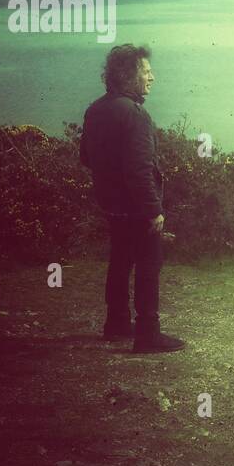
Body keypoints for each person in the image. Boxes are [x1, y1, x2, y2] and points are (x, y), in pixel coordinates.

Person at [78, 44, 185, 353]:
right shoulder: (135, 114)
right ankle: (148, 334)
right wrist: (154, 210)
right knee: (149, 265)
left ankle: (116, 323)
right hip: (137, 208)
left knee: (121, 260)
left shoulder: (95, 109)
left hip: (111, 205)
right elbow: (139, 170)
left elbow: (86, 157)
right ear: (128, 76)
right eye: (146, 72)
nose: (152, 77)